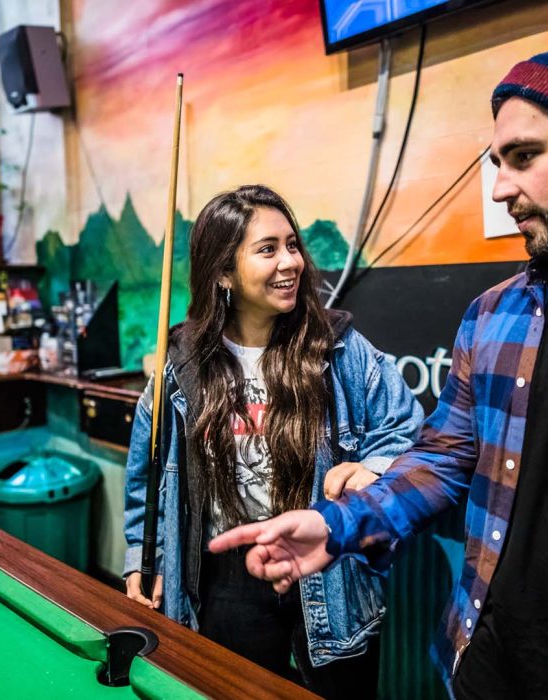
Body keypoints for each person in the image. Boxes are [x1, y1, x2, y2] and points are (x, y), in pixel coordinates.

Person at [211, 25, 548, 698]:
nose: (501, 188)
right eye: (496, 161)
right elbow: (446, 456)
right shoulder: (496, 314)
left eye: (524, 156)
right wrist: (340, 523)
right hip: (491, 670)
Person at [122, 184, 425, 698]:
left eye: (292, 244)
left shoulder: (338, 347)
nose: (291, 262)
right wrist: (140, 556)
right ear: (222, 272)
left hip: (326, 569)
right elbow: (146, 479)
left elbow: (406, 427)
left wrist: (374, 467)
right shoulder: (182, 367)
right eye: (267, 249)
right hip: (226, 575)